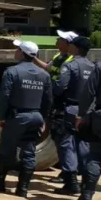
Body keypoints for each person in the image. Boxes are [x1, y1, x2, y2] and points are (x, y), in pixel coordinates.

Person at [0, 40, 53, 197]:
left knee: (6, 151)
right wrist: (44, 118)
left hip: (17, 117)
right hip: (35, 117)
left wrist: (1, 116)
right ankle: (23, 188)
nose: (15, 51)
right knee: (29, 151)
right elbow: (48, 100)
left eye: (17, 49)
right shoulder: (44, 75)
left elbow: (4, 96)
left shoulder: (12, 72)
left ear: (22, 53)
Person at [51, 35, 94, 195]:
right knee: (83, 145)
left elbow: (59, 88)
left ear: (75, 48)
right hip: (87, 111)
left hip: (69, 109)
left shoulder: (70, 66)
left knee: (66, 144)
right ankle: (85, 181)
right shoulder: (92, 66)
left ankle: (71, 182)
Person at [39, 30, 76, 184]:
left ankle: (70, 176)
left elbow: (61, 85)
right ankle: (67, 172)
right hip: (57, 103)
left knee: (65, 141)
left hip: (64, 103)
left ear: (68, 44)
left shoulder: (70, 62)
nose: (57, 40)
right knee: (60, 139)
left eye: (61, 39)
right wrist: (32, 58)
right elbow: (48, 68)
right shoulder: (58, 57)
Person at [76, 55, 101, 200]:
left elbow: (88, 93)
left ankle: (86, 197)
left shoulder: (99, 67)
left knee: (96, 158)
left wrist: (81, 114)